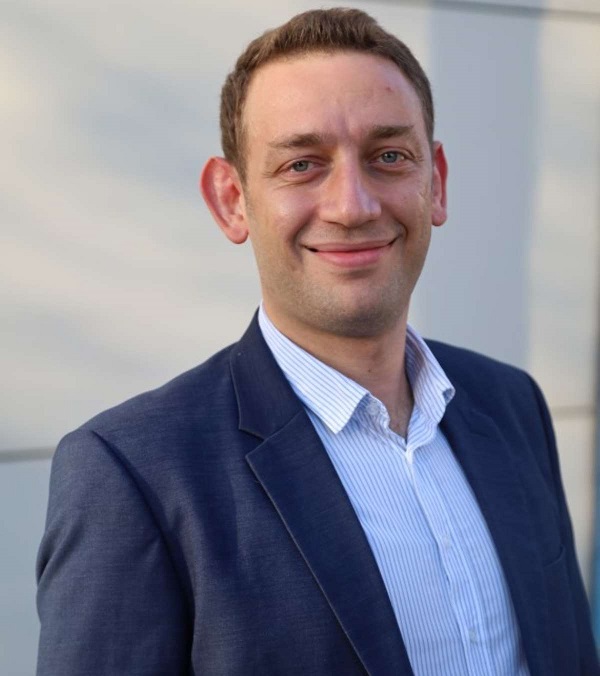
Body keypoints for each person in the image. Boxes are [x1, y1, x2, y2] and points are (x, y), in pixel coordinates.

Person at [36, 8, 598, 676]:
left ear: (436, 183)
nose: (353, 206)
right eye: (302, 164)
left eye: (389, 157)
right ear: (231, 201)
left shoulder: (512, 406)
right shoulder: (135, 474)